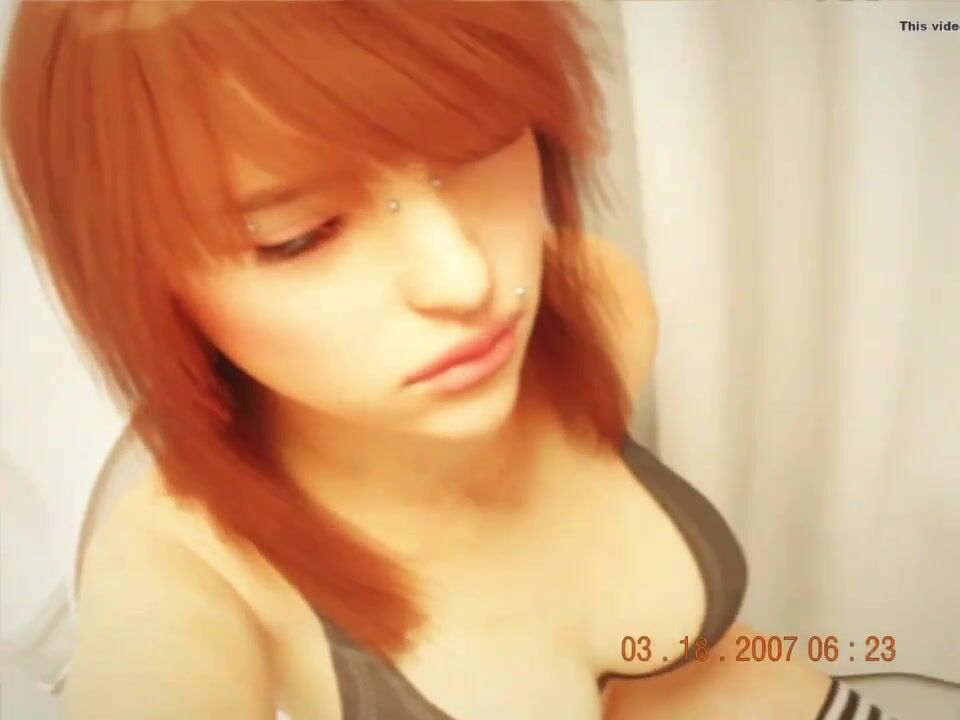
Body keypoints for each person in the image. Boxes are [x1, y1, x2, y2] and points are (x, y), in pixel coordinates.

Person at [1, 2, 896, 719]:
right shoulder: (180, 581)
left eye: (475, 149)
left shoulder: (601, 305)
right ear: (143, 284)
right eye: (300, 235)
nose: (465, 280)